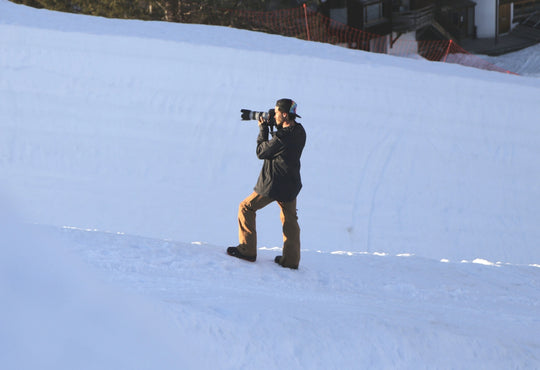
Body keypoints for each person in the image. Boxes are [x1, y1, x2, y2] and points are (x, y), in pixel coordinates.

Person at [227, 98, 306, 269]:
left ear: (285, 115)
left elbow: (261, 152)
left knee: (246, 207)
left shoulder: (281, 138)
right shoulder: (300, 131)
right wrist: (274, 124)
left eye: (277, 112)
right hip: (291, 185)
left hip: (273, 184)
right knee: (289, 219)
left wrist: (263, 129)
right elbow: (283, 136)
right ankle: (291, 260)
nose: (274, 114)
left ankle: (247, 250)